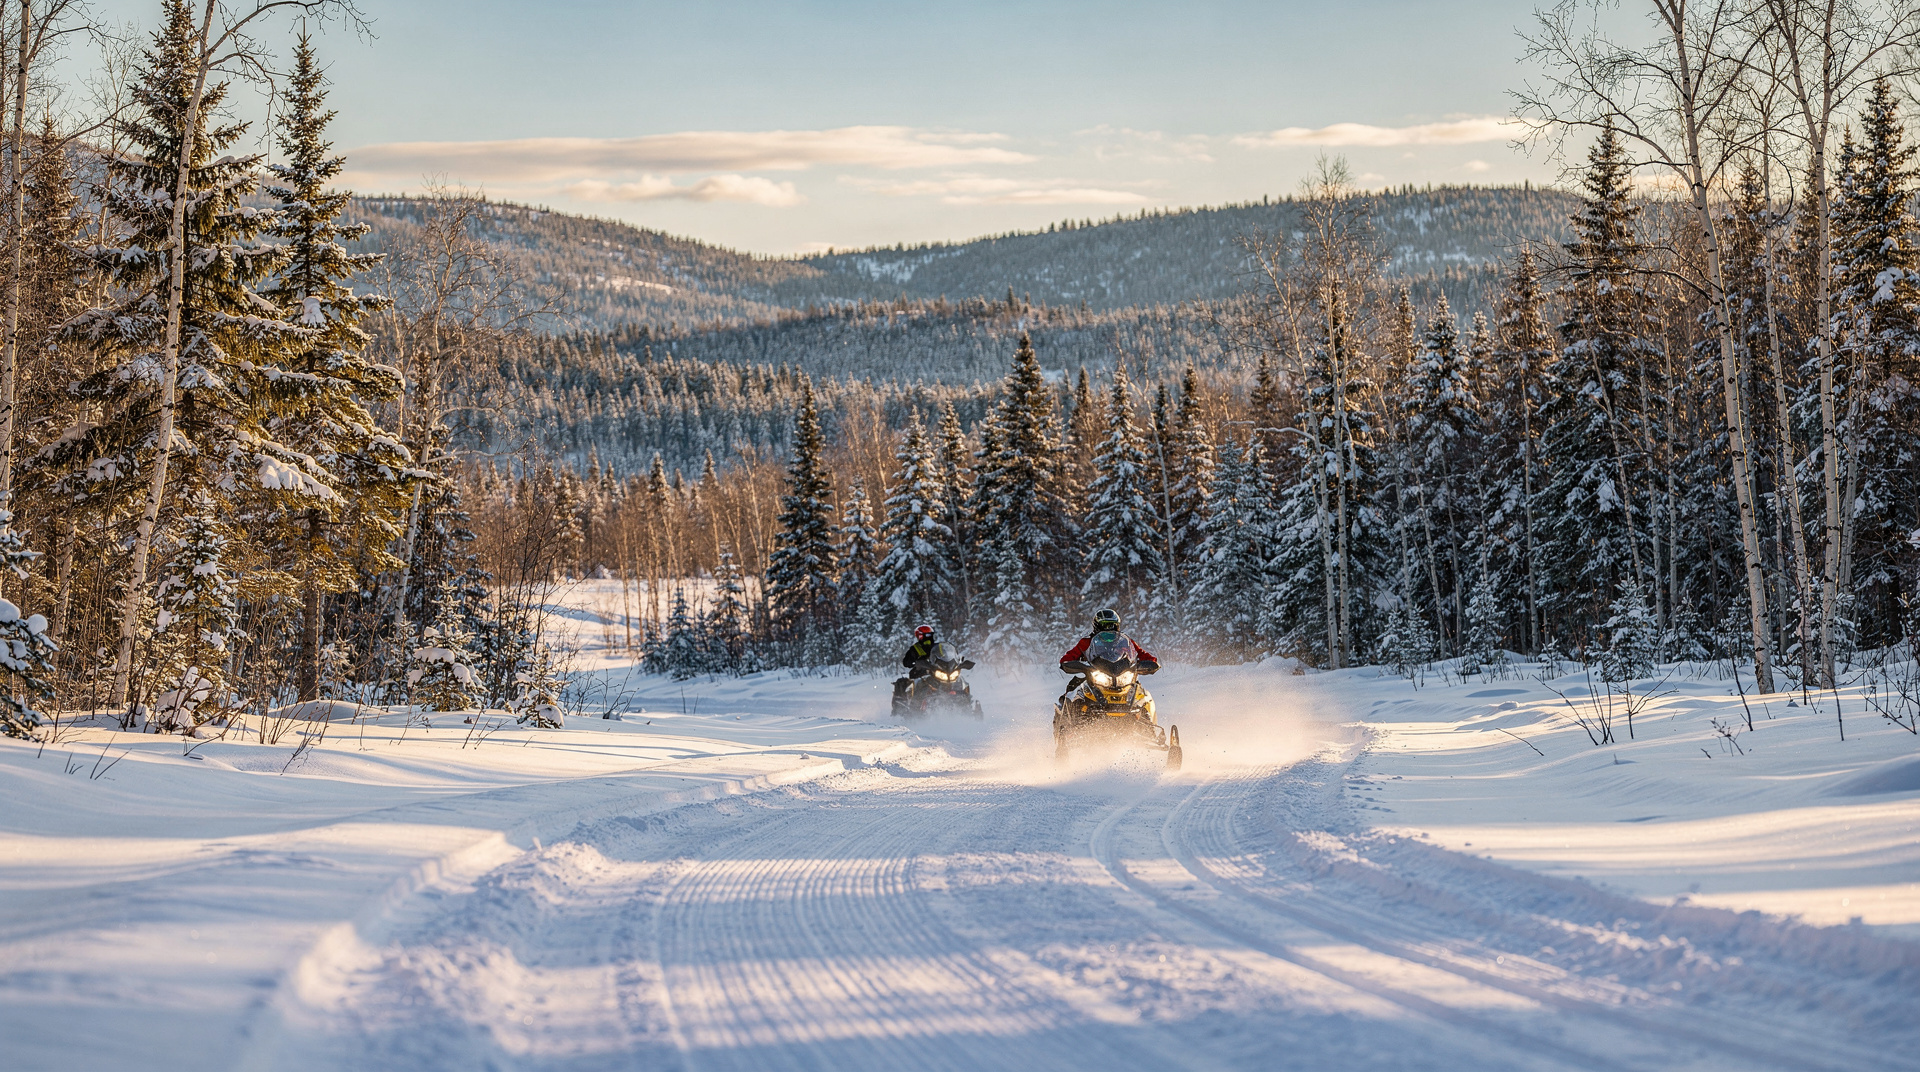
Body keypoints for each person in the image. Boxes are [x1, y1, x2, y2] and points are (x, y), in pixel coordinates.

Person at [1059, 608, 1159, 675]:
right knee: (1075, 688)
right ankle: (1067, 704)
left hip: (1122, 674)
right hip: (1095, 675)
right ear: (1097, 626)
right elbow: (1069, 657)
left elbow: (1140, 653)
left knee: (1141, 693)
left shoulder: (1124, 641)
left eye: (1112, 625)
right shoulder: (1086, 642)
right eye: (1106, 625)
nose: (1109, 629)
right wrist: (1072, 664)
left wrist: (1150, 662)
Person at [894, 624, 937, 699]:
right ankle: (915, 701)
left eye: (930, 635)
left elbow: (945, 655)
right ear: (920, 636)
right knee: (916, 685)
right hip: (920, 674)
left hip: (936, 672)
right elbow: (906, 662)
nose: (928, 637)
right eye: (927, 635)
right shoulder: (915, 648)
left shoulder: (937, 647)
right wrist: (915, 662)